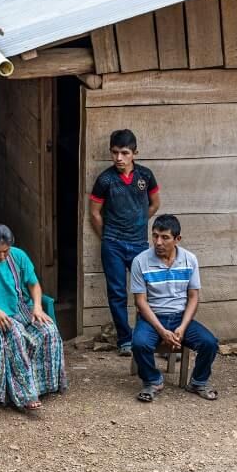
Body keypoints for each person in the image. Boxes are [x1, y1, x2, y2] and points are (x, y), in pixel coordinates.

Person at [0, 223, 65, 409]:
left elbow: (34, 285)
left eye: (6, 251)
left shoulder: (18, 256)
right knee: (16, 336)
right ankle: (25, 395)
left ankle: (44, 385)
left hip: (22, 307)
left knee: (48, 331)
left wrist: (37, 307)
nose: (2, 256)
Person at [129, 214, 220, 403]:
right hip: (152, 318)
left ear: (177, 239)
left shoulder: (190, 260)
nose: (158, 242)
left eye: (165, 237)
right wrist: (162, 331)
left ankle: (198, 382)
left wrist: (182, 328)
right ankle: (153, 381)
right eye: (155, 236)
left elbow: (194, 297)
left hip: (180, 317)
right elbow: (141, 302)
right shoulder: (140, 261)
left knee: (209, 343)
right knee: (139, 344)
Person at [90, 128, 160, 355]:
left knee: (147, 291)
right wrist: (108, 237)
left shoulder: (145, 176)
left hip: (139, 244)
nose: (119, 158)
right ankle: (125, 340)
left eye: (124, 153)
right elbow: (95, 213)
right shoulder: (105, 179)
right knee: (117, 292)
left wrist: (138, 222)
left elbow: (154, 204)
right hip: (113, 244)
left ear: (134, 153)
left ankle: (144, 337)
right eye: (114, 153)